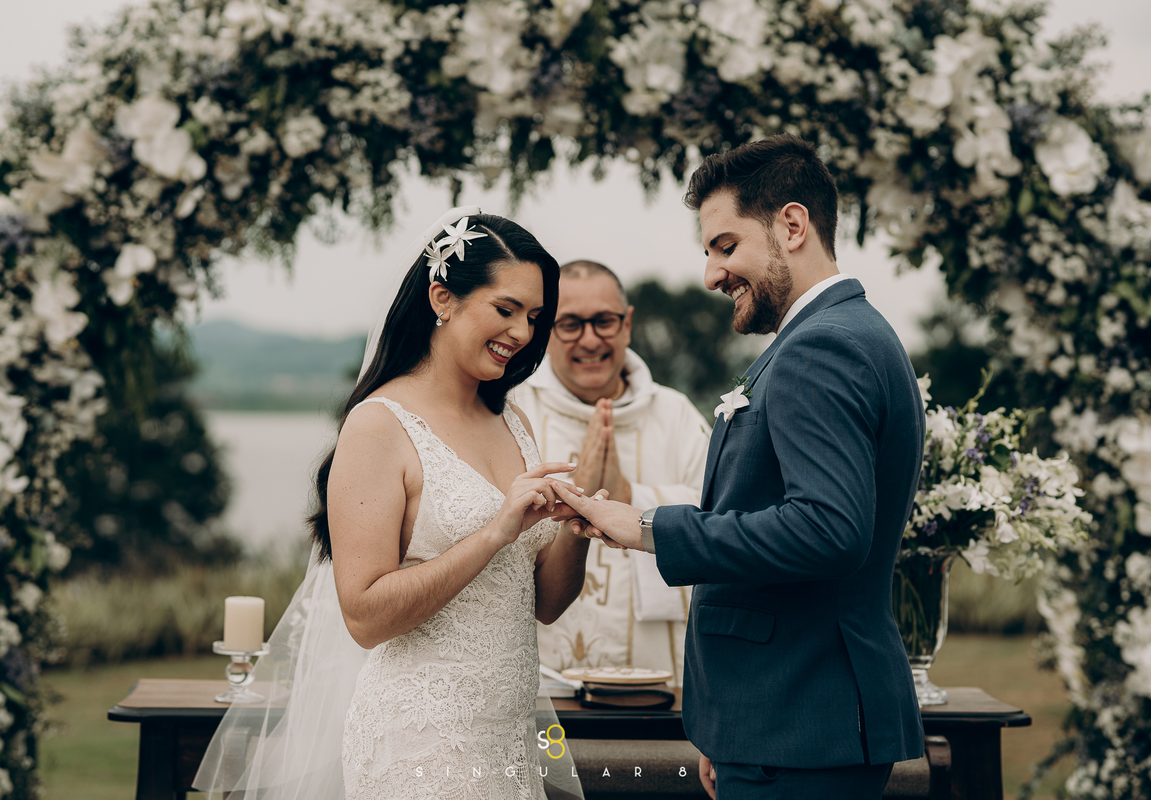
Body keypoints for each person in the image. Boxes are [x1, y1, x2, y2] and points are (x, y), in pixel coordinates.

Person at [549, 136, 926, 799]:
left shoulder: (822, 347)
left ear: (792, 225)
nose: (711, 275)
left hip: (800, 721)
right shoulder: (846, 333)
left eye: (725, 246)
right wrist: (731, 727)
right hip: (777, 719)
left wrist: (647, 526)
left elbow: (828, 529)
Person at [194, 207, 588, 800]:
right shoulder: (379, 426)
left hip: (508, 739)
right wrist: (494, 532)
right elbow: (365, 617)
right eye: (506, 310)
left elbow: (546, 605)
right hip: (418, 742)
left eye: (534, 317)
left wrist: (577, 527)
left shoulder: (515, 423)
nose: (522, 333)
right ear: (442, 298)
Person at [512, 260, 709, 684]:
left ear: (627, 324)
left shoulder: (675, 415)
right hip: (545, 674)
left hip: (660, 672)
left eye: (604, 321)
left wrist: (631, 496)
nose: (590, 339)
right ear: (546, 330)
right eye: (570, 324)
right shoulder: (512, 412)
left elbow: (724, 519)